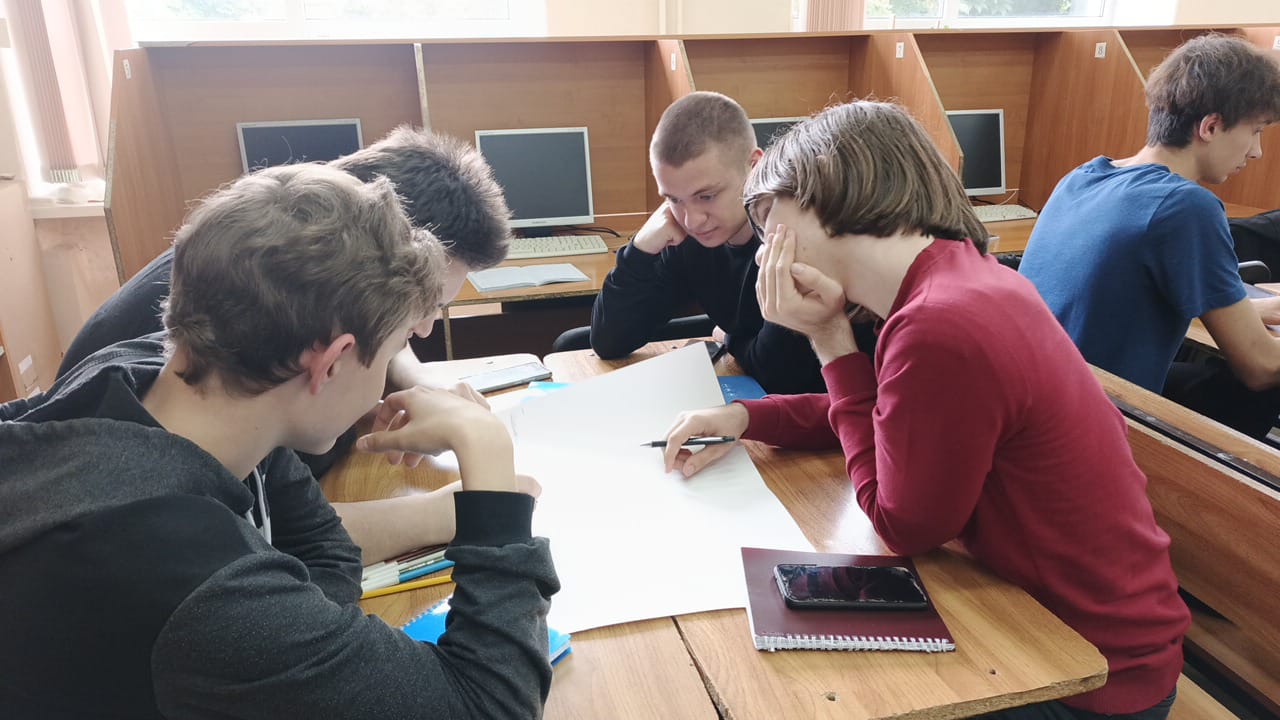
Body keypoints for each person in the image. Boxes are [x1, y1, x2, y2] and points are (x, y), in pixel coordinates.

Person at [662, 101, 1188, 719]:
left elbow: (901, 525)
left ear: (826, 196)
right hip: (1058, 624)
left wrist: (829, 338)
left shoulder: (940, 324)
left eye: (771, 218)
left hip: (1088, 673)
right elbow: (894, 414)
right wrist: (751, 418)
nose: (764, 249)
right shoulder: (951, 281)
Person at [0, 164, 558, 718]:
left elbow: (325, 546)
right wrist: (486, 450)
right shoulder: (198, 586)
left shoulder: (172, 382)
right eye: (390, 354)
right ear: (331, 362)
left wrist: (294, 647)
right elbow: (495, 705)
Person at [57, 126, 519, 563]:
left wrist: (412, 383)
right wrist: (454, 512)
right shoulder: (228, 309)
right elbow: (249, 537)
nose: (423, 330)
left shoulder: (259, 259)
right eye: (422, 307)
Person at [1018, 34, 1280, 440]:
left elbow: (1118, 297)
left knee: (1209, 375)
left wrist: (1251, 310)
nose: (1257, 151)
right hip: (1095, 424)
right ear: (1211, 126)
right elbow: (1260, 366)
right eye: (1256, 131)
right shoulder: (1185, 205)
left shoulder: (1083, 177)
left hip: (1042, 401)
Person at [591, 91, 871, 394]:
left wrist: (729, 337)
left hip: (835, 411)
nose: (692, 220)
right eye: (673, 199)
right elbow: (609, 341)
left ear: (754, 166)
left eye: (706, 196)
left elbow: (778, 375)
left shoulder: (793, 239)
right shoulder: (686, 236)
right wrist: (639, 250)